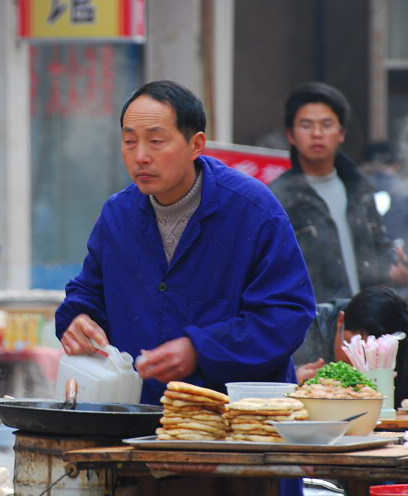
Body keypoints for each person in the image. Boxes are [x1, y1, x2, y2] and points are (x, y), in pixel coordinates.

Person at [55, 80, 316, 406]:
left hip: (238, 422)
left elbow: (287, 313)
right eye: (128, 141)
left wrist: (201, 349)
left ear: (196, 145)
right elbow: (88, 293)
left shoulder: (252, 210)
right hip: (141, 418)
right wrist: (78, 319)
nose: (140, 157)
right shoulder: (117, 215)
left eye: (156, 141)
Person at [269, 82, 408, 306]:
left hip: (365, 325)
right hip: (315, 327)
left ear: (341, 133)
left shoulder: (359, 187)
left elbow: (378, 249)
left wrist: (395, 270)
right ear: (291, 135)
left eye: (326, 125)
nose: (317, 134)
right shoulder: (278, 198)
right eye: (306, 125)